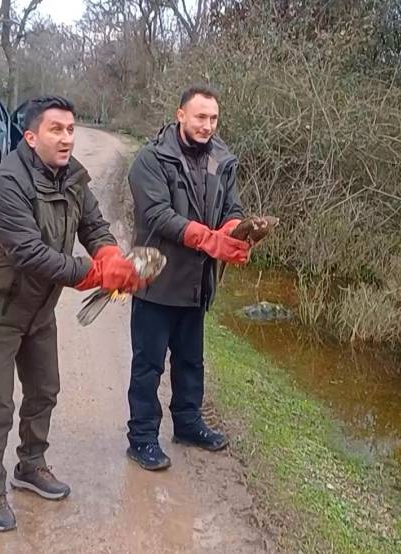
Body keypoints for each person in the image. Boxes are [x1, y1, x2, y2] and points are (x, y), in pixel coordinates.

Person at [0, 95, 142, 532]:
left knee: (45, 389)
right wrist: (94, 274)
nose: (66, 138)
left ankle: (31, 465)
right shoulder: (7, 183)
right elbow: (29, 253)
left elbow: (95, 225)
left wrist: (111, 257)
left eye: (70, 129)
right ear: (30, 136)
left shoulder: (73, 178)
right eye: (55, 130)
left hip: (39, 309)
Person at [125, 84, 251, 471]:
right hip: (155, 277)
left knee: (191, 361)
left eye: (213, 118)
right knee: (148, 365)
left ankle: (188, 424)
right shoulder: (150, 159)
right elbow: (157, 216)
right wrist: (209, 240)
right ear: (180, 115)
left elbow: (232, 207)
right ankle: (142, 438)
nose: (207, 125)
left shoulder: (222, 160)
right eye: (200, 117)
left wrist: (235, 231)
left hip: (197, 282)